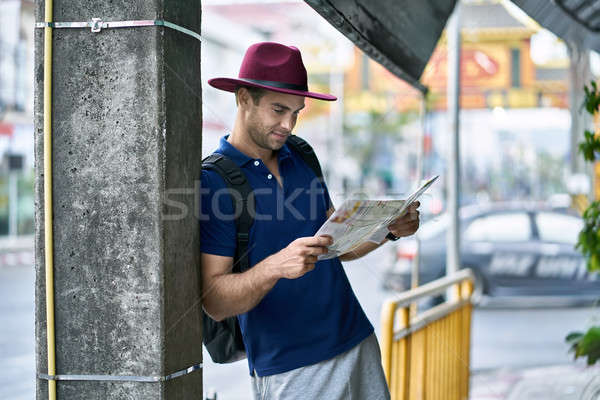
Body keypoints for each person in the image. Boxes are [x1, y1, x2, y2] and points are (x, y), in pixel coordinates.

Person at [200, 42, 420, 400]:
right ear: (243, 98)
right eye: (278, 110)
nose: (288, 124)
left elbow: (335, 245)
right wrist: (275, 266)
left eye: (297, 112)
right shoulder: (214, 181)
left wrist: (388, 230)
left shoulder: (300, 152)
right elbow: (215, 301)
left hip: (357, 340)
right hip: (292, 368)